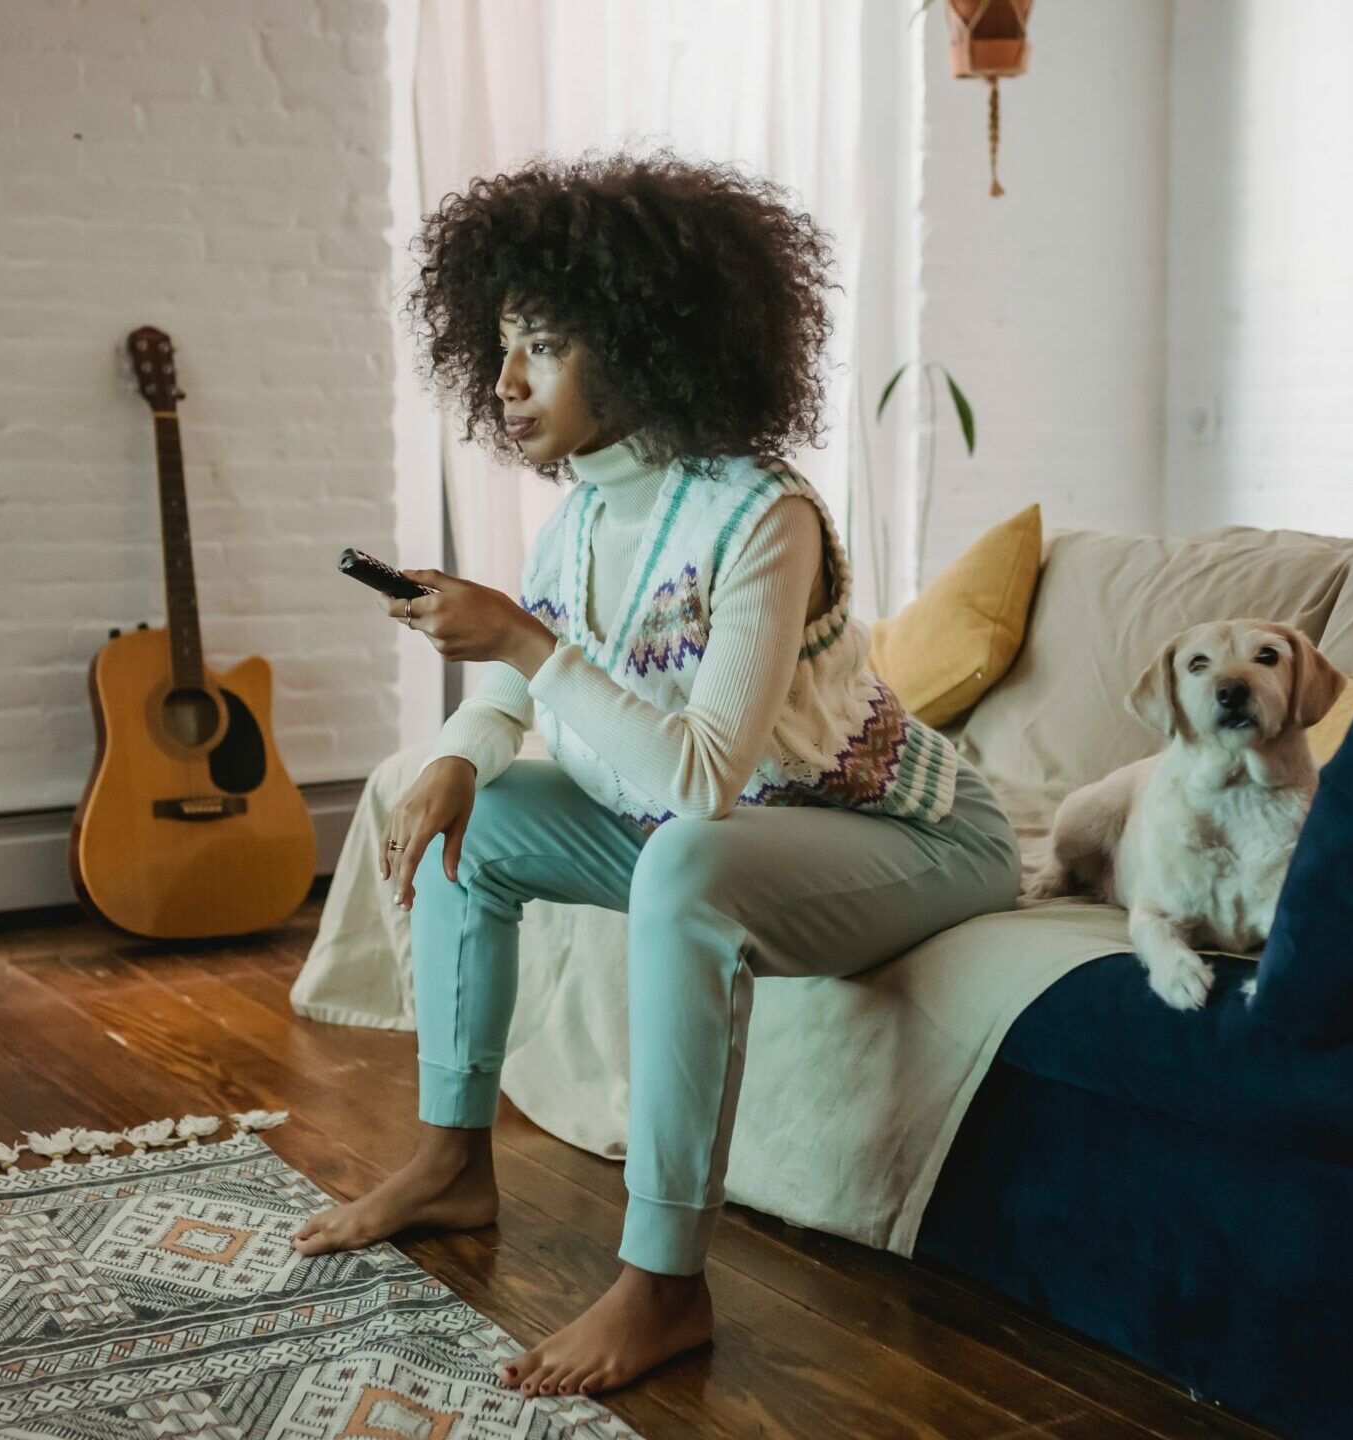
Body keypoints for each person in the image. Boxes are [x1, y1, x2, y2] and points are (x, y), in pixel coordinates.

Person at [290, 151, 1022, 1397]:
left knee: (685, 855)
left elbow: (698, 785)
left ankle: (667, 1282)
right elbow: (534, 680)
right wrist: (465, 753)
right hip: (738, 831)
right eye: (503, 345)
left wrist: (518, 636)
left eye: (546, 349)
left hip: (910, 840)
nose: (508, 382)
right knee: (491, 810)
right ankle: (452, 1158)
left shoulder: (762, 515)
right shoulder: (581, 510)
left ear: (642, 344)